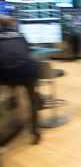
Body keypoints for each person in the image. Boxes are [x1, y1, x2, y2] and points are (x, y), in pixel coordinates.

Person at [0, 15, 41, 144]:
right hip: (28, 71)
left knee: (8, 78)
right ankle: (35, 133)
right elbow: (28, 52)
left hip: (8, 74)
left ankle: (13, 100)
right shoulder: (20, 35)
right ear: (12, 25)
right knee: (33, 101)